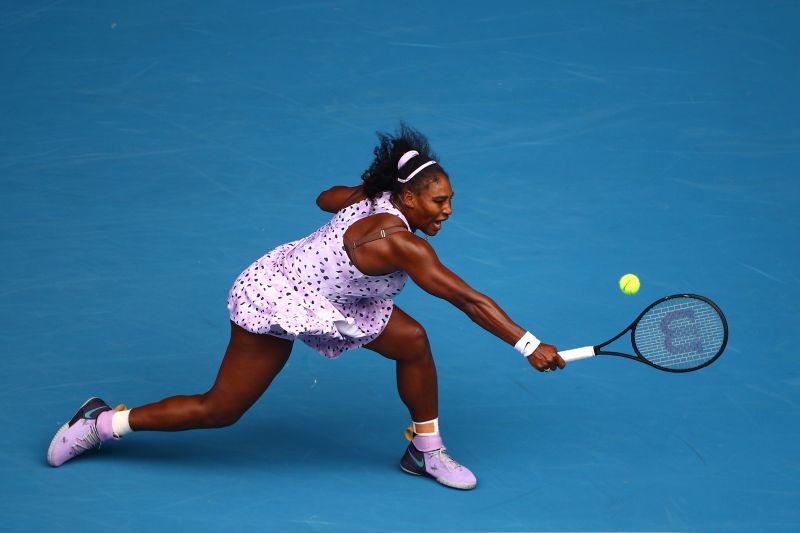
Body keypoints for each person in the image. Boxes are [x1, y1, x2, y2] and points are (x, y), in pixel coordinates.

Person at [46, 123, 565, 490]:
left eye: (450, 199)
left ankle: (424, 449)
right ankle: (101, 423)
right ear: (408, 200)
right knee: (221, 409)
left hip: (340, 298)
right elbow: (468, 300)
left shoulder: (375, 198)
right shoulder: (405, 244)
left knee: (413, 342)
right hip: (277, 296)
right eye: (439, 202)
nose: (449, 210)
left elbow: (324, 198)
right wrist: (528, 344)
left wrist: (366, 189)